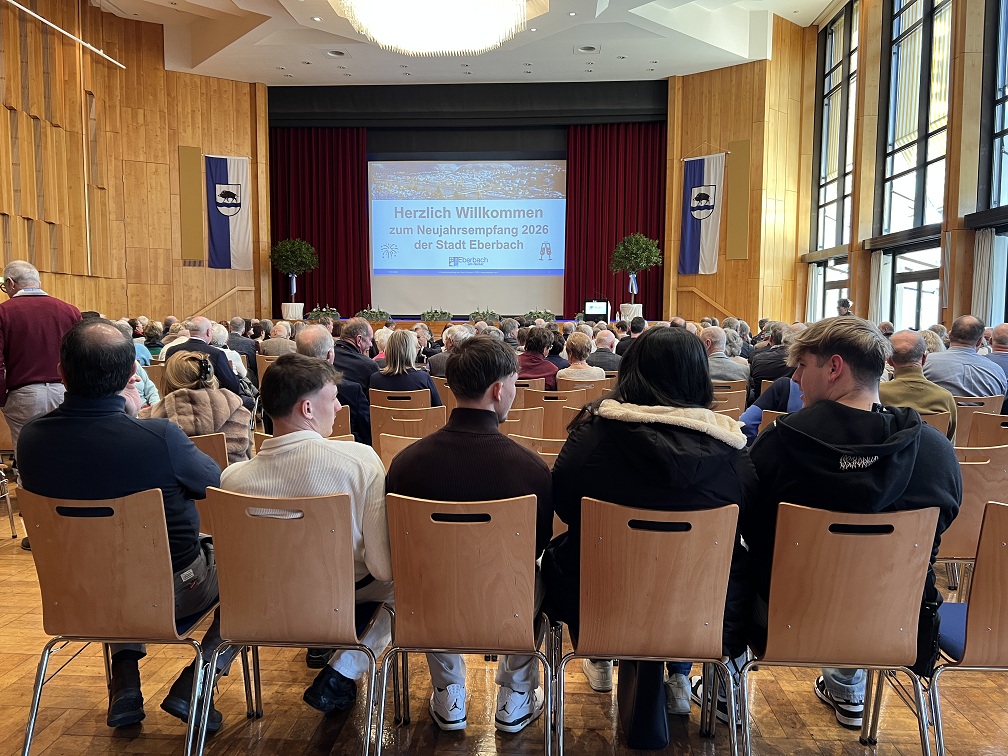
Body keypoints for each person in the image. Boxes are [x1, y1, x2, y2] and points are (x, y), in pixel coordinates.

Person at [745, 317, 961, 729]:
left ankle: (723, 695)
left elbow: (749, 526)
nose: (795, 378)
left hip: (783, 616)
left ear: (834, 367)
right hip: (896, 618)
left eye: (802, 365)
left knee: (734, 560)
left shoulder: (779, 442)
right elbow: (940, 530)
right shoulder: (934, 450)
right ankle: (848, 689)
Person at [16, 319, 228, 732]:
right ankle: (197, 683)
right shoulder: (161, 438)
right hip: (172, 593)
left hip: (78, 593)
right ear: (133, 374)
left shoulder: (32, 440)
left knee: (112, 558)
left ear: (61, 374)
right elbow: (215, 484)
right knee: (251, 571)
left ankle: (126, 680)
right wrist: (132, 418)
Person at [544, 326, 756, 717]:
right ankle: (680, 674)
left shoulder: (591, 436)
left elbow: (566, 508)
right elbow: (746, 518)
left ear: (632, 371)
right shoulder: (731, 449)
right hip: (703, 608)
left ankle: (601, 656)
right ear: (699, 376)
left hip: (598, 600)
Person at [386, 336, 552, 733]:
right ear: (497, 390)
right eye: (513, 383)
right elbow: (539, 544)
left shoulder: (405, 465)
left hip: (430, 600)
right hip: (508, 601)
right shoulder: (531, 469)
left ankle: (448, 692)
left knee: (424, 573)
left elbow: (395, 544)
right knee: (538, 575)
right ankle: (516, 693)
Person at [219, 353, 393, 716]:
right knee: (407, 585)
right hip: (342, 600)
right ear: (308, 408)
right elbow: (381, 567)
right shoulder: (360, 461)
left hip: (262, 604)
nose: (339, 407)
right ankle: (342, 672)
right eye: (334, 398)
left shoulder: (231, 480)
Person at [0, 260, 81, 458]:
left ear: (10, 283)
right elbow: (81, 356)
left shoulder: (3, 312)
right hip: (65, 392)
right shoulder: (70, 311)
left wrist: (1, 398)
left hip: (24, 395)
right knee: (65, 453)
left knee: (28, 457)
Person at [139, 350, 252, 464]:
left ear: (168, 381)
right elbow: (248, 460)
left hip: (175, 475)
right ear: (211, 377)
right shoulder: (240, 413)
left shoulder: (148, 421)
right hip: (230, 474)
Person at [296, 324, 372, 445]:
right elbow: (368, 434)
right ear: (330, 355)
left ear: (297, 353)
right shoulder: (352, 391)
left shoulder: (280, 388)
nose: (338, 407)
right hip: (346, 451)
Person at [878, 330, 957, 442]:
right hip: (933, 452)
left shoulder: (878, 393)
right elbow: (950, 443)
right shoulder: (945, 398)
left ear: (889, 360)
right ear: (924, 358)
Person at [161, 317, 251, 409]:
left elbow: (166, 380)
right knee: (248, 402)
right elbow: (233, 385)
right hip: (209, 405)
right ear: (208, 332)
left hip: (176, 402)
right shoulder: (216, 354)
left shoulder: (171, 351)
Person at [922, 315, 1007, 399]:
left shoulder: (924, 363)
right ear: (979, 341)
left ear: (949, 335)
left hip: (939, 408)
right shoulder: (996, 371)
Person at [369, 329, 442, 406]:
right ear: (411, 352)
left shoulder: (375, 379)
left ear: (388, 350)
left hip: (384, 414)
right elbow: (438, 408)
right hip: (416, 414)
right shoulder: (423, 378)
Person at [330, 317, 380, 389]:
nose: (371, 345)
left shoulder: (327, 357)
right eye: (370, 340)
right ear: (359, 340)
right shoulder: (369, 366)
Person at [227, 316, 259, 386]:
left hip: (226, 374)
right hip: (246, 378)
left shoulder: (224, 340)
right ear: (243, 330)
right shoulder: (250, 343)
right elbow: (254, 364)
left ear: (230, 328)